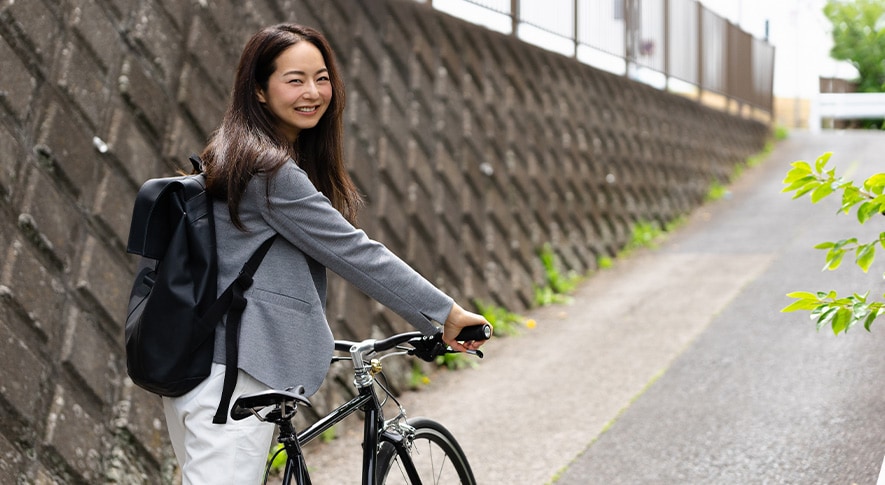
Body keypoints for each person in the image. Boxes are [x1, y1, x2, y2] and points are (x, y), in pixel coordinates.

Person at [161, 23, 492, 484]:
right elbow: (354, 252)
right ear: (258, 89)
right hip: (235, 377)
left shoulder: (233, 151)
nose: (313, 92)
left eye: (322, 78)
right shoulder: (269, 170)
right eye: (294, 80)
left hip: (211, 368)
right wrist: (446, 314)